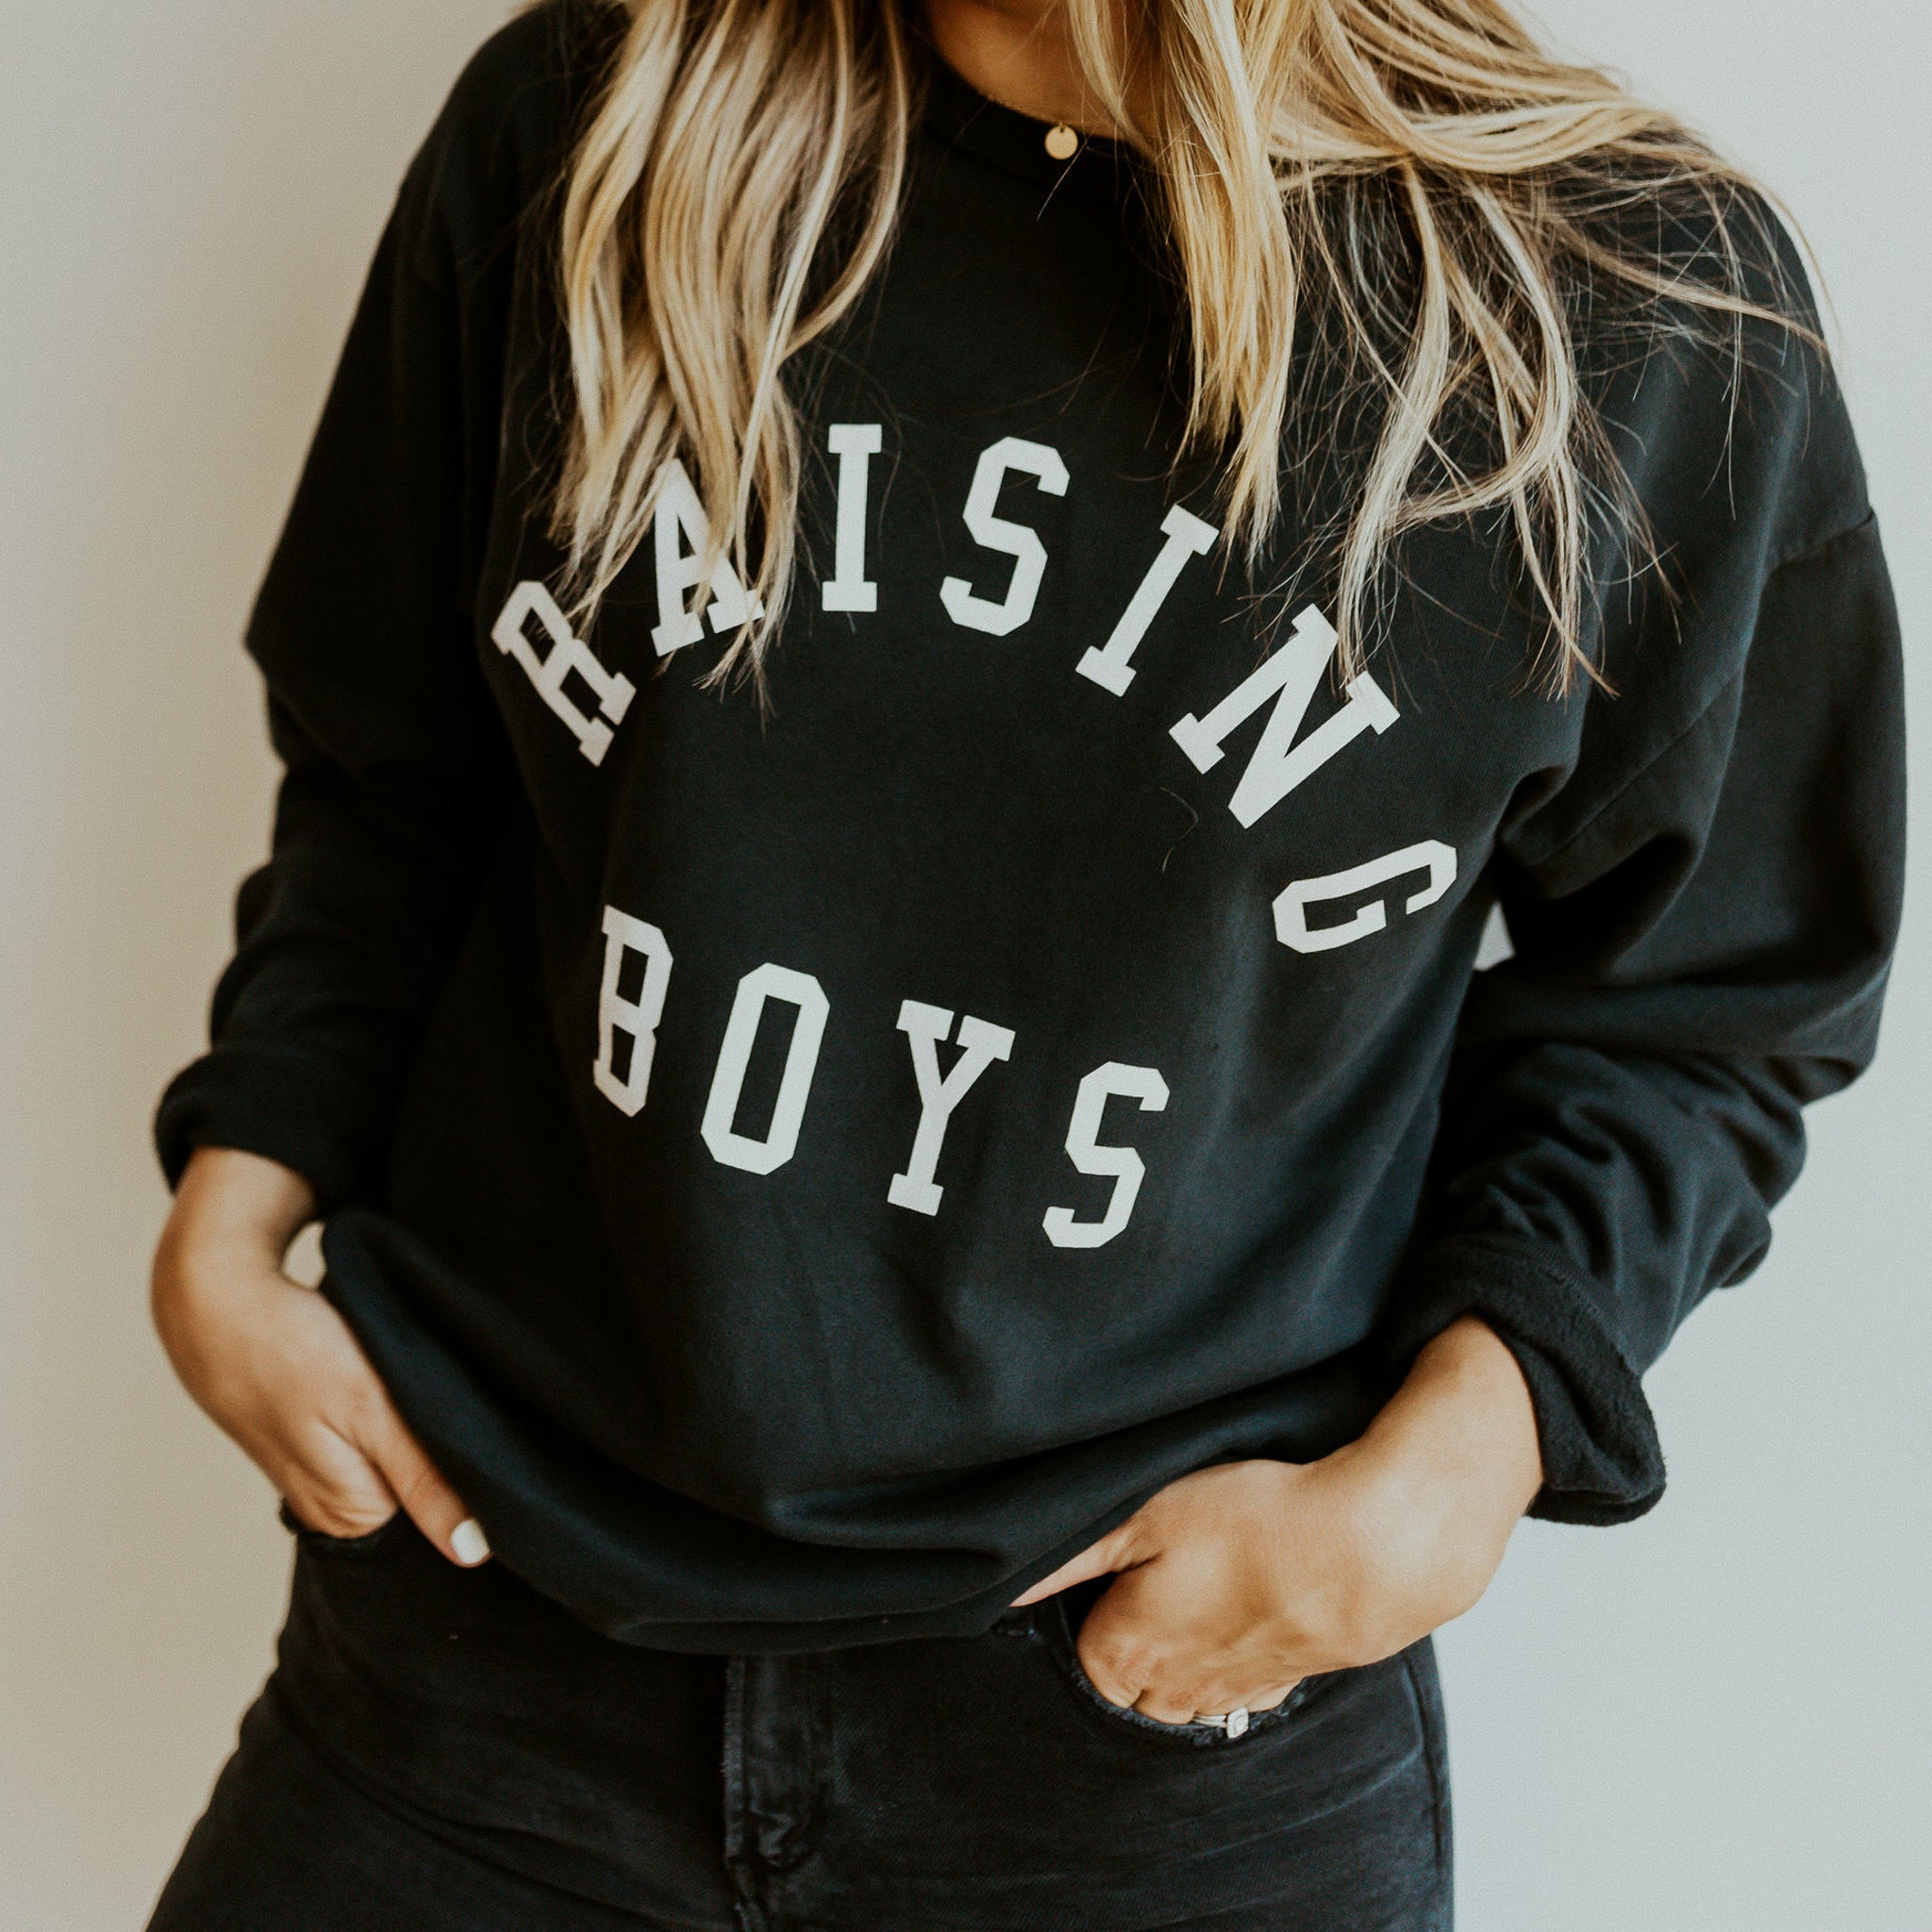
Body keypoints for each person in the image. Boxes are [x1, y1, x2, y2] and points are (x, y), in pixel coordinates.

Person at [143, 0, 1905, 1925]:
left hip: (1150, 1745)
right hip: (475, 1654)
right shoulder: (593, 130)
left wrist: (1455, 1469)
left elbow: (1711, 999)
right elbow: (396, 774)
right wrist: (235, 1199)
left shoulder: (1623, 302)